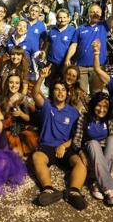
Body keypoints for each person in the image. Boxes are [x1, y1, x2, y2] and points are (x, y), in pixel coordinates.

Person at [31, 68, 87, 210]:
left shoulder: (74, 112)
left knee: (80, 163)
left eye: (63, 90)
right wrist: (41, 77)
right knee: (37, 157)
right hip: (47, 146)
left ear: (67, 93)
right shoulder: (47, 106)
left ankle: (74, 191)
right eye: (57, 89)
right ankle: (48, 189)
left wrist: (64, 146)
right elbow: (35, 93)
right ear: (52, 92)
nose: (60, 92)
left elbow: (76, 135)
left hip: (65, 147)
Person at [72, 89, 113, 206]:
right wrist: (80, 152)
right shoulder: (84, 118)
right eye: (98, 105)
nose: (102, 110)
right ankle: (109, 190)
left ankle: (97, 184)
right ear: (93, 105)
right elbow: (76, 141)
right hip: (92, 156)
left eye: (105, 107)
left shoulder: (110, 120)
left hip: (108, 157)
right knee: (93, 143)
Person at [64, 0, 113, 94]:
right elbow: (74, 45)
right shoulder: (80, 29)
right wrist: (68, 58)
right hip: (81, 67)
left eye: (97, 12)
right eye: (93, 12)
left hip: (98, 67)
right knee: (80, 95)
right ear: (89, 14)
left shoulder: (104, 26)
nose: (95, 14)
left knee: (97, 94)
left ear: (101, 14)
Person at [0, 74, 38, 157]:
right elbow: (0, 116)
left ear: (20, 85)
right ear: (7, 84)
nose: (14, 85)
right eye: (11, 82)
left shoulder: (23, 99)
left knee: (17, 153)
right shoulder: (2, 98)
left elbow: (28, 118)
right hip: (5, 130)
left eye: (17, 83)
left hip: (19, 131)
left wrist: (20, 114)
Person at [45, 9, 76, 85]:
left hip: (65, 63)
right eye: (60, 17)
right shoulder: (52, 30)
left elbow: (75, 46)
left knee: (64, 85)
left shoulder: (73, 31)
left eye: (64, 17)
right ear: (57, 18)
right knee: (49, 85)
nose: (62, 20)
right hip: (52, 62)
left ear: (68, 18)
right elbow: (47, 45)